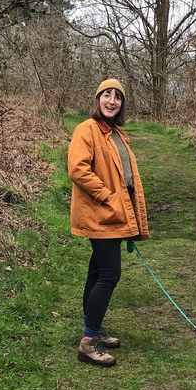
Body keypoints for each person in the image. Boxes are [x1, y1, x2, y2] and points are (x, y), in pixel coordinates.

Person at [67, 79, 150, 366]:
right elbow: (78, 169)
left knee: (97, 271)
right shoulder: (86, 129)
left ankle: (94, 328)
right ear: (98, 99)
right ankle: (89, 341)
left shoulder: (115, 133)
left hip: (114, 213)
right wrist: (106, 196)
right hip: (100, 213)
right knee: (110, 275)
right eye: (107, 95)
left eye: (117, 97)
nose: (112, 101)